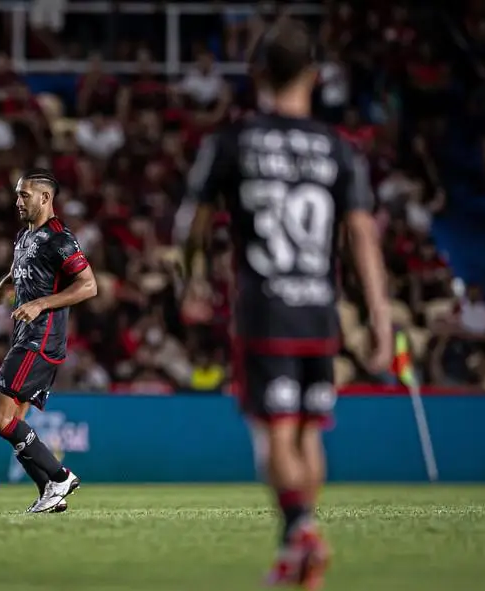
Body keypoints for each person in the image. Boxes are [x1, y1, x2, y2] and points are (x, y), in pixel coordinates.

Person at [183, 20, 392, 589]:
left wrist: (191, 281)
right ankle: (295, 555)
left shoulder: (231, 141)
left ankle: (300, 529)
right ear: (316, 76)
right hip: (319, 311)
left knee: (273, 432)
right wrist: (381, 320)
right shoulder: (339, 149)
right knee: (307, 433)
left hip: (264, 308)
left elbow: (193, 225)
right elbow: (362, 238)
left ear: (255, 75)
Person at [0, 169, 98, 513]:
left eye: (24, 195)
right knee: (13, 425)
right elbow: (13, 282)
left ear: (45, 198)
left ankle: (59, 476)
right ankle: (50, 492)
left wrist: (42, 302)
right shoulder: (26, 238)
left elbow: (89, 286)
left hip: (41, 340)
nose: (17, 201)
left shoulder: (60, 238)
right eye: (17, 194)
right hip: (27, 337)